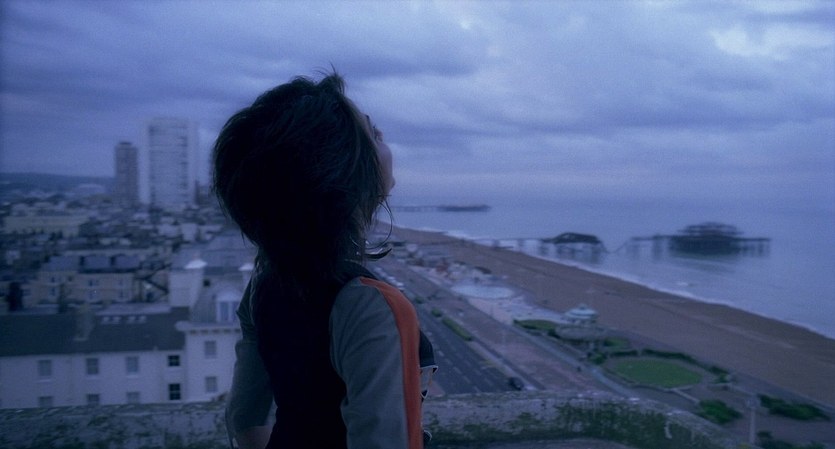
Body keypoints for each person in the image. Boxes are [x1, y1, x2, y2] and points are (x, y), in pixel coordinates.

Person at [213, 71, 435, 449]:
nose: (385, 138)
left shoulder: (265, 284)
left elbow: (244, 419)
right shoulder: (373, 305)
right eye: (374, 134)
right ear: (346, 171)